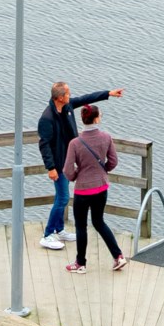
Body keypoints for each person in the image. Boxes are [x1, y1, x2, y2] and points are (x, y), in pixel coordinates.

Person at [36, 80, 123, 252]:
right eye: (67, 93)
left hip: (68, 160)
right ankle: (47, 235)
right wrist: (51, 167)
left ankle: (59, 230)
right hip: (58, 164)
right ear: (60, 97)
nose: (70, 95)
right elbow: (44, 144)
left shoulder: (67, 107)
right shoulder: (46, 118)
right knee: (62, 198)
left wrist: (108, 93)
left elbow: (86, 98)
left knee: (61, 197)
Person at [64, 102, 125, 271]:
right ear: (96, 119)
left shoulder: (75, 143)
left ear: (83, 119)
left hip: (82, 190)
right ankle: (118, 255)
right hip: (101, 188)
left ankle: (81, 264)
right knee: (99, 222)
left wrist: (77, 175)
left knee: (81, 226)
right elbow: (113, 161)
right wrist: (103, 170)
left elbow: (68, 171)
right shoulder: (106, 137)